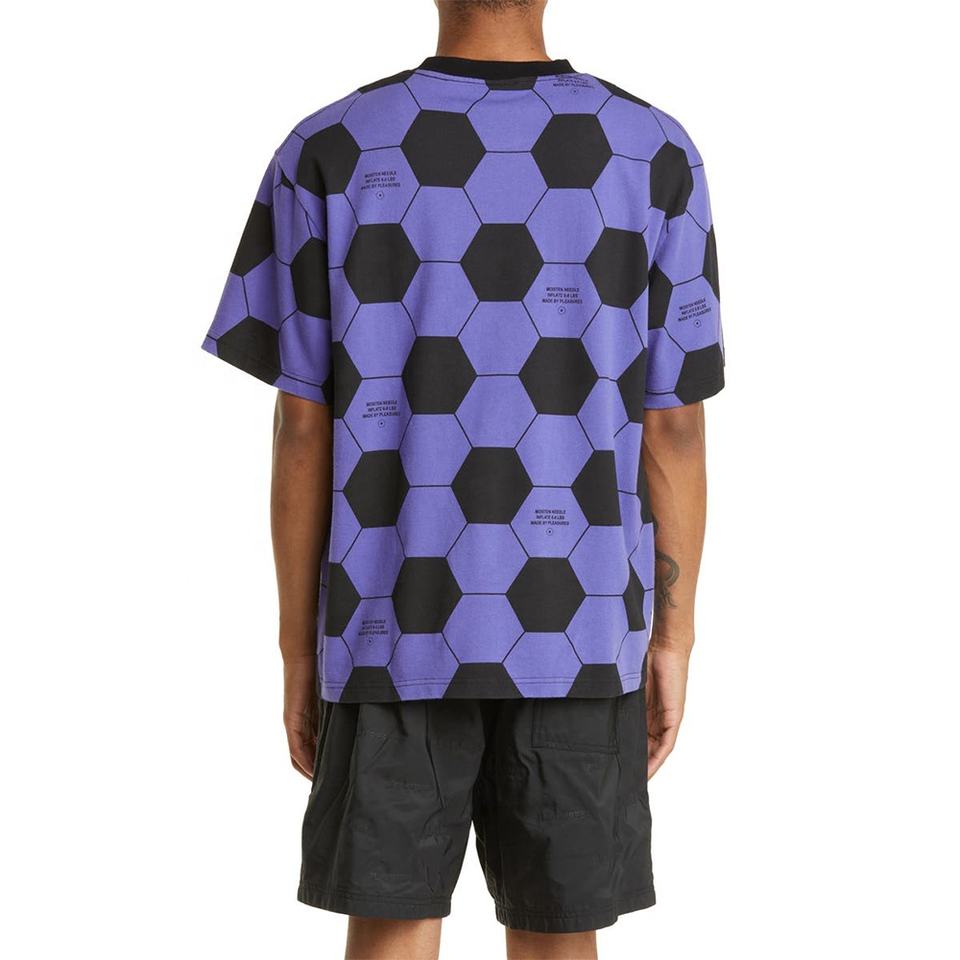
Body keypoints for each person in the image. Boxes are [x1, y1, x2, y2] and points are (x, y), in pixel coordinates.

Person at [202, 0, 723, 956]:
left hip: (387, 625)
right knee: (561, 932)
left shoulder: (330, 147)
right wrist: (673, 640)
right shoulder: (653, 152)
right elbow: (675, 425)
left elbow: (302, 429)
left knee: (391, 926)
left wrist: (299, 650)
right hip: (583, 627)